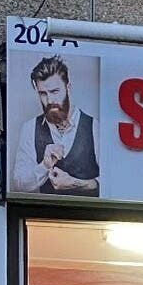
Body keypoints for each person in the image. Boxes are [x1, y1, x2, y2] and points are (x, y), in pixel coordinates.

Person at [12, 55, 99, 196]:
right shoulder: (29, 128)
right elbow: (18, 185)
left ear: (68, 88)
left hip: (90, 216)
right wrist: (44, 166)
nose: (50, 100)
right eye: (43, 94)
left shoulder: (94, 127)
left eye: (55, 91)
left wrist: (76, 183)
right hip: (43, 217)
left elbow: (113, 180)